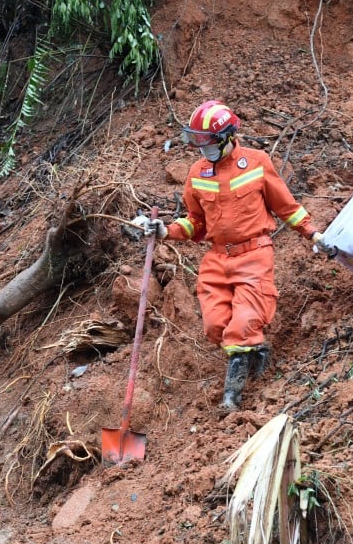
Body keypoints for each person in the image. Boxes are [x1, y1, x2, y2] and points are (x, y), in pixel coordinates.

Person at [133, 100, 333, 411]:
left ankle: (232, 400)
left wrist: (313, 233)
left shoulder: (256, 162)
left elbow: (286, 207)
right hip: (216, 259)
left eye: (207, 141)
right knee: (216, 327)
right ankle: (256, 353)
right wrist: (164, 231)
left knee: (241, 326)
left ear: (227, 137)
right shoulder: (197, 173)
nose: (202, 148)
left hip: (254, 255)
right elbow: (195, 222)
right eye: (196, 141)